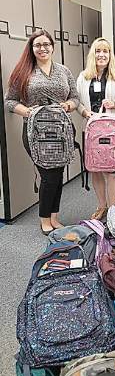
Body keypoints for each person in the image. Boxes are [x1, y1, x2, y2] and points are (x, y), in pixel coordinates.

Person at [5, 29, 79, 235]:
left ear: (52, 47)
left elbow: (75, 98)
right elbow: (10, 101)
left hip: (61, 131)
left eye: (46, 44)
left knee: (57, 175)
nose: (42, 48)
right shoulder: (23, 72)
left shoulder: (64, 71)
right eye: (38, 45)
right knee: (48, 175)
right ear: (32, 48)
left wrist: (67, 106)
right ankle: (44, 219)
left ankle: (54, 217)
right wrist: (27, 111)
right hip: (35, 133)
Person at [77, 37, 115, 220]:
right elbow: (76, 101)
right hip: (91, 130)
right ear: (92, 54)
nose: (102, 55)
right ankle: (102, 206)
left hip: (111, 131)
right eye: (98, 51)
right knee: (95, 168)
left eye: (105, 51)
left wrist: (114, 103)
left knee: (110, 170)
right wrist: (85, 113)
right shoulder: (83, 77)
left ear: (110, 55)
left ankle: (113, 209)